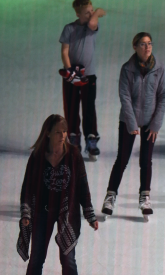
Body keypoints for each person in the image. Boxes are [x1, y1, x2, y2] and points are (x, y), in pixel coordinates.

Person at [17, 115, 98, 275]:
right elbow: (27, 188)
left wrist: (89, 214)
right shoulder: (37, 157)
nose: (62, 136)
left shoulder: (74, 155)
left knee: (68, 260)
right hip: (42, 213)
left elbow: (82, 186)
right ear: (48, 133)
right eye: (58, 132)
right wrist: (26, 214)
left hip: (66, 215)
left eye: (64, 131)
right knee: (36, 259)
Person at [102, 32, 165, 221]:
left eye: (150, 43)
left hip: (150, 121)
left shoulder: (159, 68)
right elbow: (124, 96)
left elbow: (164, 95)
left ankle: (145, 196)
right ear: (135, 47)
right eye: (142, 44)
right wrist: (131, 123)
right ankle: (110, 196)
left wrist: (156, 123)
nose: (147, 47)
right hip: (128, 120)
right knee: (122, 159)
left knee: (146, 160)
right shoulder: (127, 69)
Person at [59, 0, 106, 158]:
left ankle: (91, 139)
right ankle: (73, 138)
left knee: (89, 107)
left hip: (88, 76)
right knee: (71, 107)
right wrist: (70, 71)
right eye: (87, 12)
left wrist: (97, 12)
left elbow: (93, 22)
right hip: (71, 76)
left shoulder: (91, 28)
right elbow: (65, 51)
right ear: (77, 14)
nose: (91, 14)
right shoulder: (69, 28)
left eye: (92, 11)